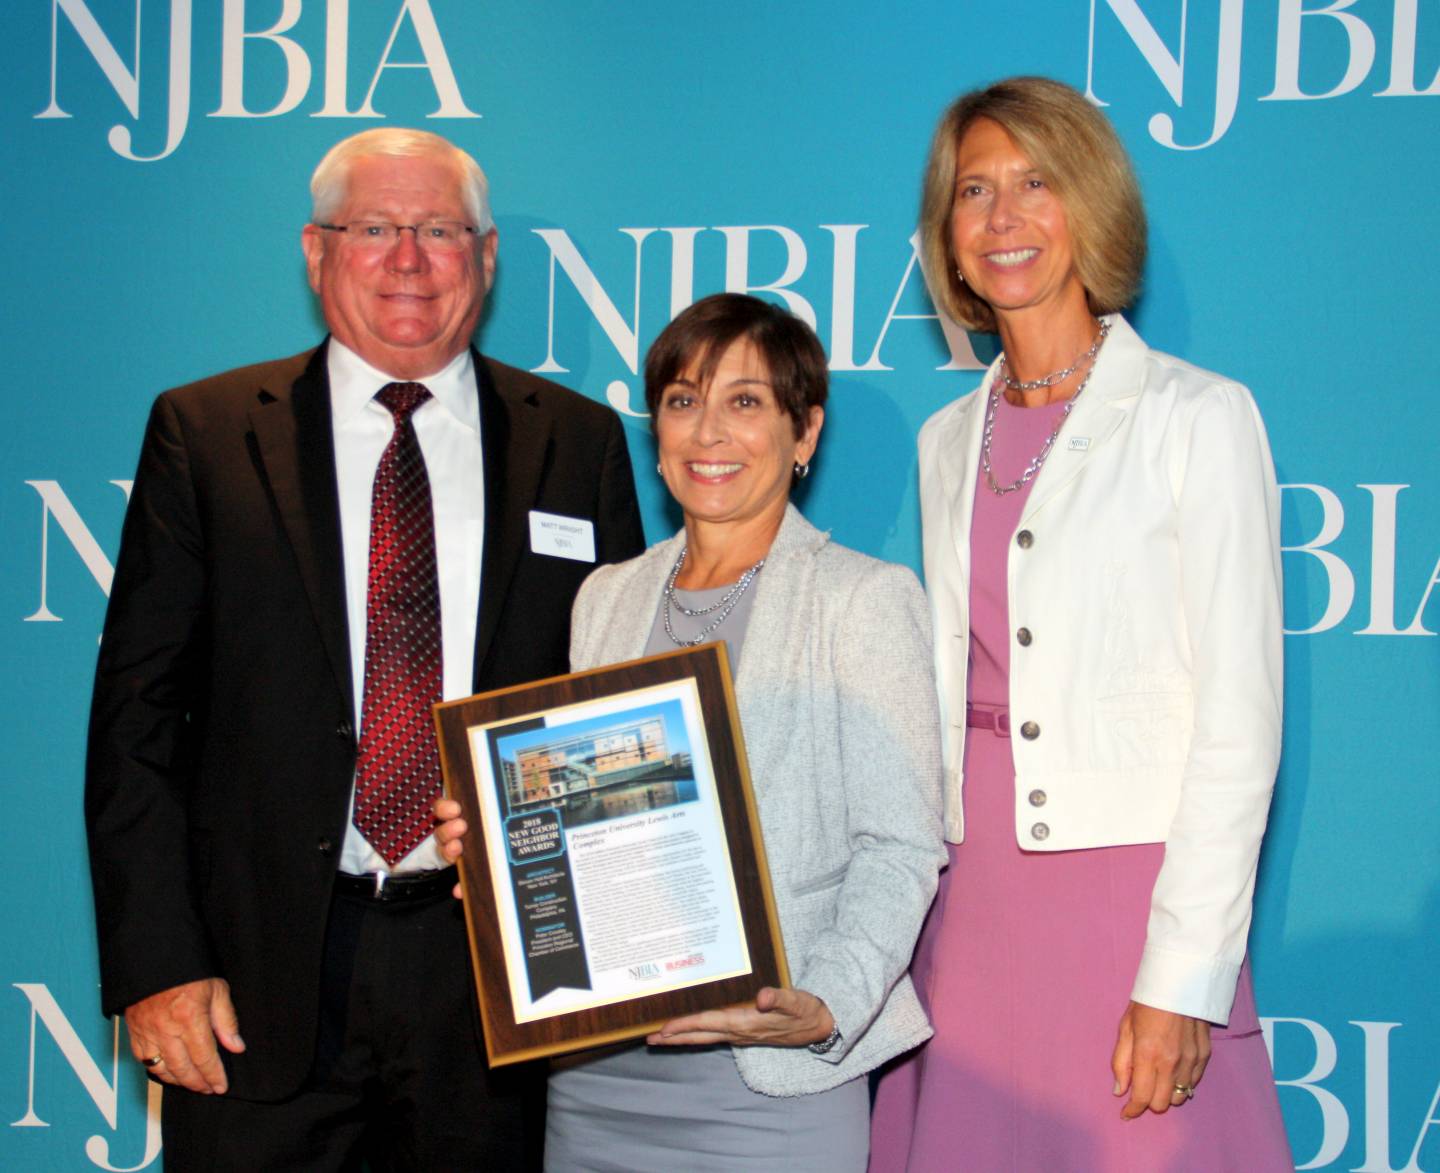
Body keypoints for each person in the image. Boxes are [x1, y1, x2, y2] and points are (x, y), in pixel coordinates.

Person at [84, 127, 645, 1169]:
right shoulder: (206, 433)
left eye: (441, 230)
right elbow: (137, 724)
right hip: (257, 980)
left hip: (493, 976)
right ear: (317, 250)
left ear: (485, 256)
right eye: (375, 228)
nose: (409, 258)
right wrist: (158, 964)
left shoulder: (578, 443)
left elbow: (611, 717)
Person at [869, 77, 1293, 1170]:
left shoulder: (1198, 417)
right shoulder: (944, 439)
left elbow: (1240, 723)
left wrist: (1184, 977)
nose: (1002, 217)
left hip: (1124, 904)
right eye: (974, 191)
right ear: (947, 236)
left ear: (1090, 206)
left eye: (1035, 183)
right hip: (968, 903)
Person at [436, 292, 946, 1171]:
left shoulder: (861, 598)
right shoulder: (606, 597)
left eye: (745, 401)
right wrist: (500, 847)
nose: (709, 432)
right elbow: (589, 813)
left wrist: (825, 1001)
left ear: (804, 431)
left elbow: (899, 846)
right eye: (682, 400)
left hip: (771, 1074)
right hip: (596, 1075)